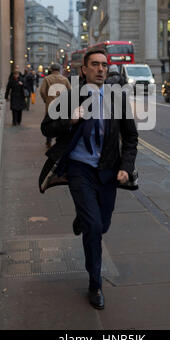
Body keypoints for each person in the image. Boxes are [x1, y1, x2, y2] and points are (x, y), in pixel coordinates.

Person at [40, 49, 138, 310]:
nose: (101, 69)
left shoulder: (117, 99)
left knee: (102, 224)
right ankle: (95, 284)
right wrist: (68, 120)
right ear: (83, 69)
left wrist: (126, 167)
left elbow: (131, 138)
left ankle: (85, 217)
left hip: (107, 171)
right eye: (95, 64)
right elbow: (46, 127)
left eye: (104, 65)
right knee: (94, 228)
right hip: (79, 170)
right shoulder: (70, 96)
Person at [40, 63, 71, 148]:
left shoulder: (47, 79)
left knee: (49, 121)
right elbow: (70, 91)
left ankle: (48, 141)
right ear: (59, 69)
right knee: (61, 122)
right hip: (62, 103)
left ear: (51, 70)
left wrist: (46, 99)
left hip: (50, 103)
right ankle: (58, 141)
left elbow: (42, 91)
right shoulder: (64, 79)